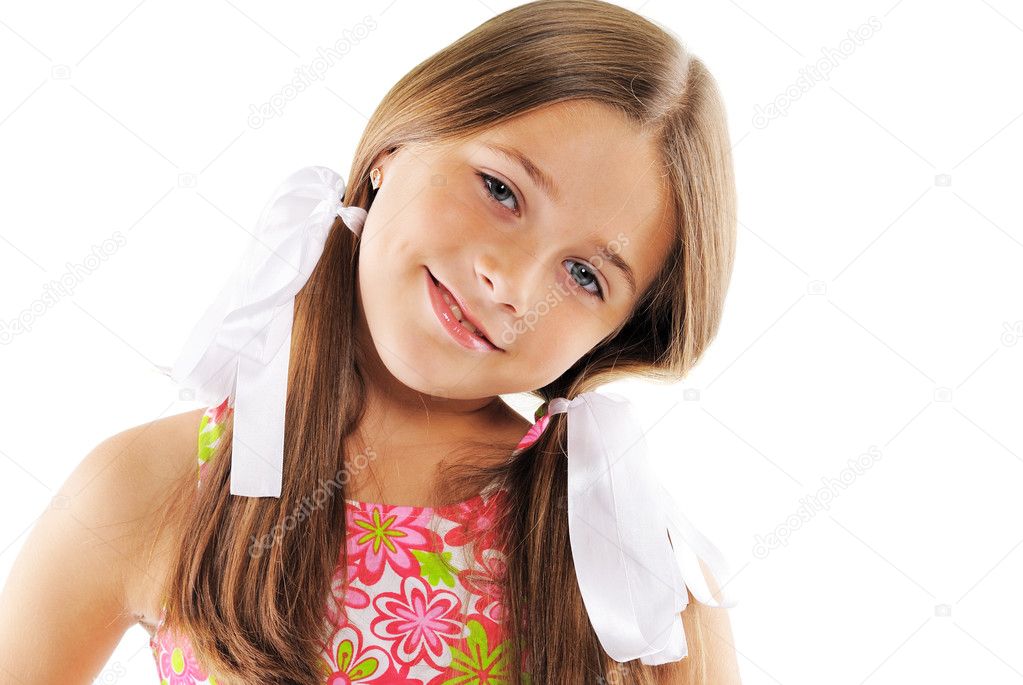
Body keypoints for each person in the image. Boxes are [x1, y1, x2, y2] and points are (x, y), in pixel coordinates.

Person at [0, 0, 740, 682]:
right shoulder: (154, 487)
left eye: (583, 273)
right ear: (396, 145)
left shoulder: (632, 581)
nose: (510, 282)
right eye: (501, 189)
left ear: (615, 334)